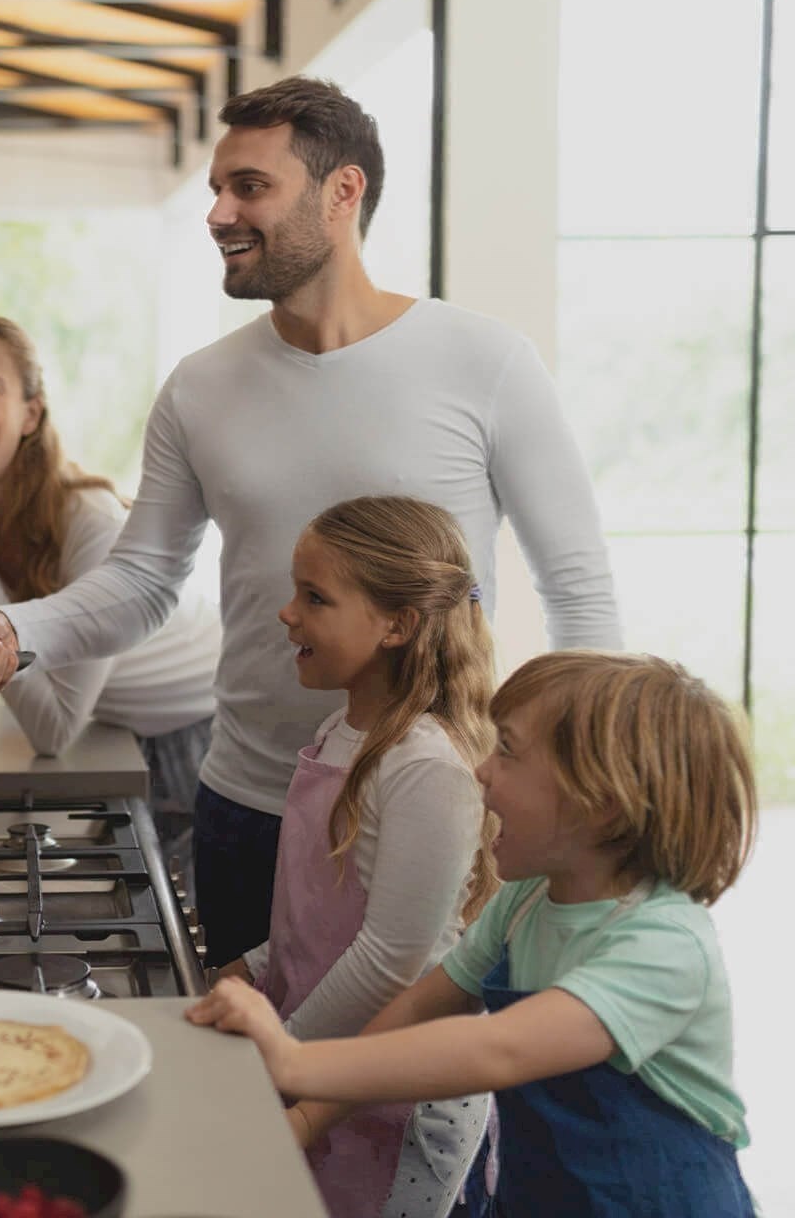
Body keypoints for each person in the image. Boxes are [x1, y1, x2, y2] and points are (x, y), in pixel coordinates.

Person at [0, 75, 622, 968]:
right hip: (249, 804)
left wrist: (579, 776)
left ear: (342, 191)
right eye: (218, 188)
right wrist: (15, 630)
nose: (219, 213)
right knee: (246, 1048)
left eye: (249, 186)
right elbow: (142, 581)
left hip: (434, 806)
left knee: (419, 1055)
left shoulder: (486, 363)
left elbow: (577, 588)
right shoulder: (200, 387)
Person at [188, 651, 760, 1217]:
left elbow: (502, 1049)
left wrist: (292, 1060)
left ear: (602, 804)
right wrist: (310, 1115)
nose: (482, 769)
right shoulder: (525, 900)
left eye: (507, 750)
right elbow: (417, 1009)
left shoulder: (664, 946)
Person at [210, 496, 498, 1218]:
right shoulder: (342, 729)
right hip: (327, 1060)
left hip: (395, 1090)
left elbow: (392, 957)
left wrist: (287, 1055)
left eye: (315, 597)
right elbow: (321, 912)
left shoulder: (424, 765)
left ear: (397, 626)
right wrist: (251, 967)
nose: (287, 613)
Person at [0, 313, 221, 884]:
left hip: (193, 739)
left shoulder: (89, 522)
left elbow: (53, 732)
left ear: (31, 414)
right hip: (113, 731)